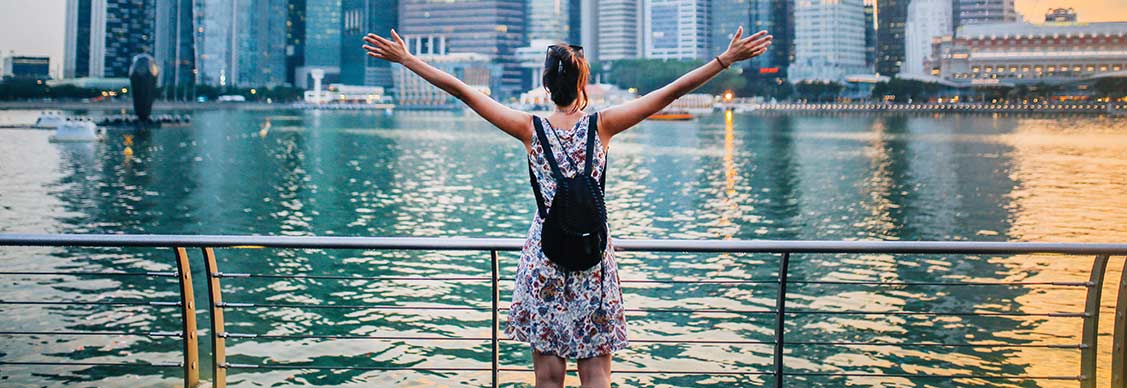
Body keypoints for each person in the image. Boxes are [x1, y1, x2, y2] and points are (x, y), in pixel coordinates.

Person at [363, 27, 772, 388]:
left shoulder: (528, 128)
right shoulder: (603, 125)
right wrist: (724, 60)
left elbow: (462, 91)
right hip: (593, 261)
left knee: (548, 378)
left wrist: (407, 59)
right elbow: (669, 93)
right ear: (584, 86)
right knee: (596, 375)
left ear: (546, 87)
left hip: (545, 258)